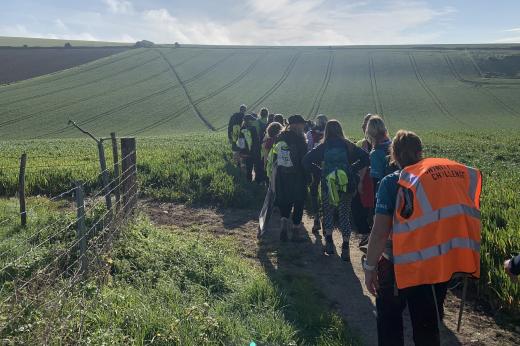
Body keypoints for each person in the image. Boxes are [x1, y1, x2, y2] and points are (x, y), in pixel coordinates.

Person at [363, 130, 482, 346]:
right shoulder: (438, 180)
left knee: (389, 323)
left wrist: (369, 267)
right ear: (421, 152)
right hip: (431, 266)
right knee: (426, 324)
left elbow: (380, 232)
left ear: (394, 155)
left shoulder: (391, 183)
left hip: (395, 264)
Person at [303, 120, 369, 261]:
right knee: (344, 214)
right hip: (346, 185)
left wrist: (320, 172)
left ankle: (330, 244)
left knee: (328, 213)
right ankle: (345, 246)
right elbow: (366, 158)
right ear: (340, 130)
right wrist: (352, 169)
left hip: (329, 184)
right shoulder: (348, 145)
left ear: (327, 131)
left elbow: (306, 161)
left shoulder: (323, 146)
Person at [270, 115, 309, 241]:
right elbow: (304, 160)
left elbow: (274, 157)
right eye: (302, 124)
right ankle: (296, 231)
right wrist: (308, 176)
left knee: (285, 200)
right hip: (298, 176)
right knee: (299, 201)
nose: (304, 126)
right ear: (296, 125)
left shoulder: (279, 138)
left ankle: (283, 223)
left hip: (282, 175)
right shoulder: (300, 139)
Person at [353, 114, 375, 243]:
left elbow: (364, 164)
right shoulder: (386, 142)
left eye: (365, 124)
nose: (363, 127)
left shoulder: (366, 144)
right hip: (373, 179)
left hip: (366, 180)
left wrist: (360, 182)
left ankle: (366, 235)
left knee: (359, 207)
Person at [305, 114, 328, 233]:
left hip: (314, 167)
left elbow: (308, 150)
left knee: (314, 192)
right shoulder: (330, 134)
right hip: (328, 167)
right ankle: (326, 220)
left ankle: (317, 218)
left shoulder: (310, 133)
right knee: (326, 193)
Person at [366, 115, 393, 192]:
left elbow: (376, 179)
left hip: (384, 191)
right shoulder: (394, 146)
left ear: (370, 133)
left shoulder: (375, 153)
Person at [237, 114, 262, 183]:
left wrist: (242, 153)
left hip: (247, 153)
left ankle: (249, 183)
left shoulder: (242, 130)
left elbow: (241, 143)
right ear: (248, 121)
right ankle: (257, 182)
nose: (252, 121)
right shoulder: (253, 129)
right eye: (251, 120)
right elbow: (256, 141)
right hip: (255, 152)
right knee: (257, 168)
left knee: (249, 168)